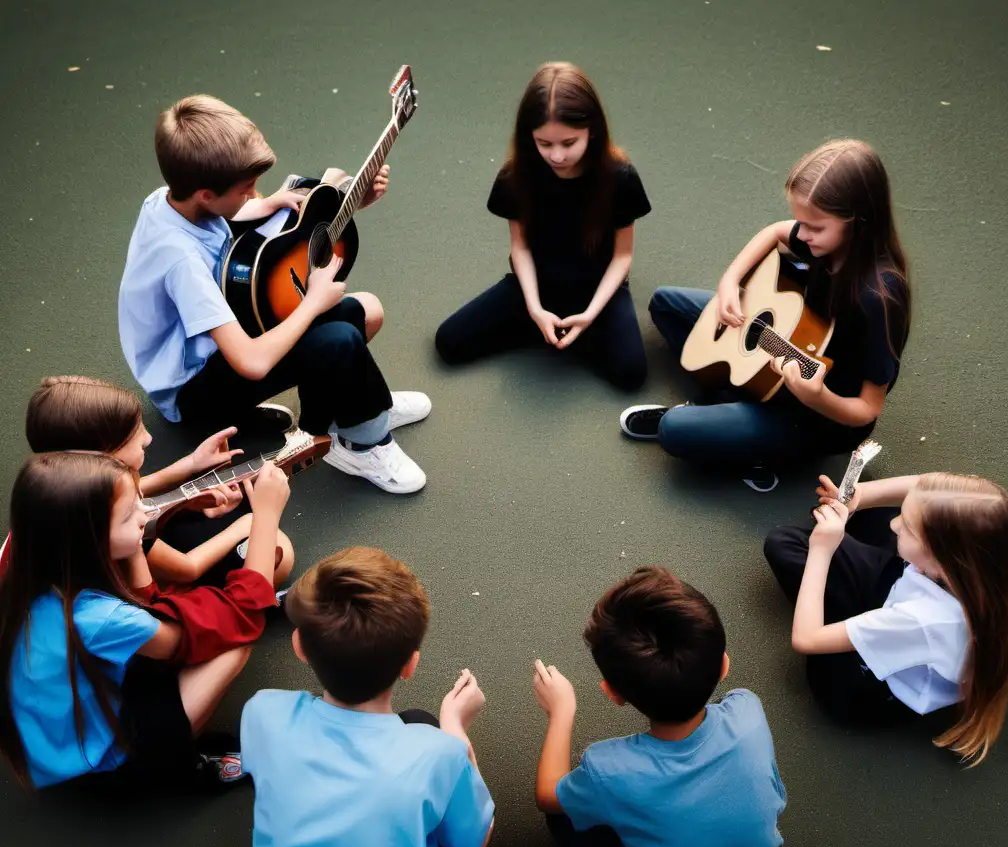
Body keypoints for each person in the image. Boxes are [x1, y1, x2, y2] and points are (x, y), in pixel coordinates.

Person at [119, 94, 430, 494]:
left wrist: (268, 204)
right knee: (337, 337)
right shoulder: (181, 263)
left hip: (209, 352)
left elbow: (224, 215)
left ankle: (359, 411)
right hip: (191, 394)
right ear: (206, 195)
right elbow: (251, 362)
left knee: (363, 310)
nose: (255, 194)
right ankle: (359, 443)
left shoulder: (169, 198)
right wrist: (314, 303)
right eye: (247, 188)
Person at [232, 547, 494, 847]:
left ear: (298, 648)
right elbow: (468, 835)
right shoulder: (437, 754)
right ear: (410, 665)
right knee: (477, 815)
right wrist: (455, 729)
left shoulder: (263, 712)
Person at [621, 139, 910, 492]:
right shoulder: (824, 237)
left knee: (673, 430)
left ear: (858, 221)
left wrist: (815, 397)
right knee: (666, 304)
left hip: (816, 416)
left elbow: (867, 409)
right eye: (801, 222)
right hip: (784, 341)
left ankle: (751, 438)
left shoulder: (880, 298)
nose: (802, 235)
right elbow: (775, 232)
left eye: (814, 227)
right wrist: (731, 282)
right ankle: (737, 398)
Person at [0, 452, 291, 790]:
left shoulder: (36, 559)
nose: (143, 516)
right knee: (232, 643)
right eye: (128, 516)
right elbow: (236, 621)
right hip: (96, 759)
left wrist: (178, 507)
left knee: (189, 606)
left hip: (53, 728)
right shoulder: (100, 618)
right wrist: (266, 516)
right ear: (90, 540)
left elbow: (147, 598)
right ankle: (179, 766)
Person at [531, 566, 786, 847]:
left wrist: (561, 713)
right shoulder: (748, 710)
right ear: (724, 665)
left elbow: (546, 796)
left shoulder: (609, 768)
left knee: (564, 815)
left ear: (612, 693)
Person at [764, 472, 1008, 765]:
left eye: (909, 528)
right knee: (875, 514)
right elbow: (927, 484)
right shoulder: (988, 569)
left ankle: (840, 602)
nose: (895, 524)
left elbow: (806, 639)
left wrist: (822, 550)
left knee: (786, 545)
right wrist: (860, 495)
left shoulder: (926, 620)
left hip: (860, 689)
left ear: (940, 559)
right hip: (909, 601)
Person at [435, 62, 650, 390]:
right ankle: (545, 325)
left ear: (592, 130)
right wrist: (535, 307)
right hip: (535, 285)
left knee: (631, 373)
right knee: (448, 343)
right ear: (529, 136)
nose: (558, 155)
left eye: (568, 142)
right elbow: (519, 247)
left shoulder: (620, 177)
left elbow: (622, 257)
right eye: (544, 143)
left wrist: (591, 312)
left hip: (598, 290)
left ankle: (570, 327)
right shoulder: (515, 175)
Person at [20, 375, 293, 589]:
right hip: (162, 576)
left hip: (151, 539)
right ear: (102, 455)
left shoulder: (72, 489)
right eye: (132, 433)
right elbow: (188, 569)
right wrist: (247, 525)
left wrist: (191, 464)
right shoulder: (113, 533)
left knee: (230, 498)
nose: (148, 438)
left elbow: (139, 490)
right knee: (281, 553)